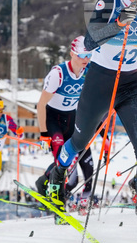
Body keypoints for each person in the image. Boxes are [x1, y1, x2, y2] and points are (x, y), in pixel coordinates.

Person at [45, 0, 137, 243]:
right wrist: (118, 24)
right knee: (78, 142)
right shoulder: (109, 2)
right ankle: (57, 176)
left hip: (128, 85)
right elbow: (89, 41)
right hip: (100, 81)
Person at [34, 36, 95, 206]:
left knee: (66, 160)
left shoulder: (89, 70)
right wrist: (44, 133)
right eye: (81, 55)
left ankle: (43, 181)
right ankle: (57, 202)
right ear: (72, 54)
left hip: (72, 118)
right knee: (62, 163)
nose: (85, 59)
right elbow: (41, 105)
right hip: (53, 119)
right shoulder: (58, 74)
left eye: (88, 55)